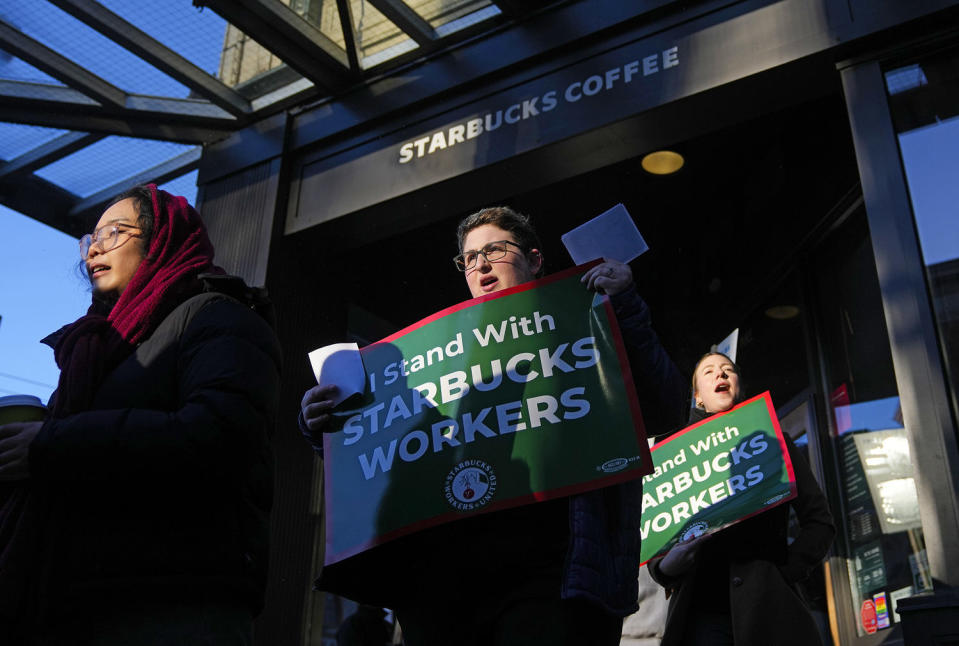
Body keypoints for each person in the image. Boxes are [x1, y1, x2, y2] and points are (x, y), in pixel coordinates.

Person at [300, 206, 687, 645]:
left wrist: (626, 308)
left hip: (551, 580)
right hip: (442, 590)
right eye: (469, 258)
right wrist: (330, 426)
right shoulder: (433, 358)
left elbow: (665, 407)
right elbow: (391, 458)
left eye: (495, 250)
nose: (480, 264)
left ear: (536, 260)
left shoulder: (589, 318)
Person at [0, 184, 282, 645]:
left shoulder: (220, 318)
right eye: (90, 238)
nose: (95, 247)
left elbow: (221, 436)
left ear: (162, 240)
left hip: (176, 598)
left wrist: (54, 444)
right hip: (77, 597)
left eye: (115, 232)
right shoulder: (96, 347)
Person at [648, 352, 835, 646]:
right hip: (700, 617)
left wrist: (784, 573)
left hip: (769, 612)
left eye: (727, 370)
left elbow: (820, 522)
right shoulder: (671, 458)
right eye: (709, 372)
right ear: (698, 397)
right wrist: (669, 564)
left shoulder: (775, 441)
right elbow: (656, 545)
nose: (720, 375)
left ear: (738, 386)